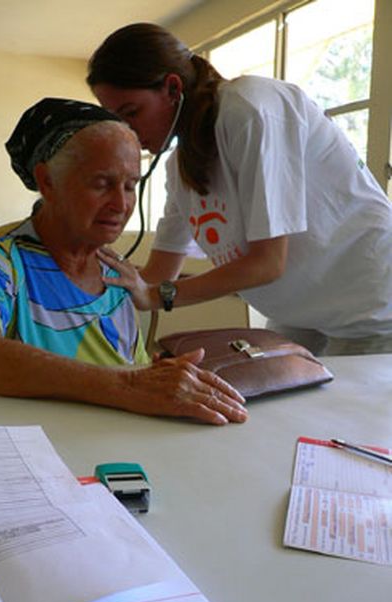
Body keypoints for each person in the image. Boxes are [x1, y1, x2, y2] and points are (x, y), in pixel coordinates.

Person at [87, 23, 392, 356]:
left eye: (132, 113)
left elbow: (267, 263)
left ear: (172, 88)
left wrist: (161, 295)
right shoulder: (179, 168)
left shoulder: (249, 108)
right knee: (280, 400)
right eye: (117, 120)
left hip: (370, 310)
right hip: (300, 315)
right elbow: (157, 276)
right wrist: (92, 276)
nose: (128, 132)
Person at [0, 97, 247, 426]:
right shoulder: (1, 257)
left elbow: (129, 367)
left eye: (131, 186)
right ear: (47, 181)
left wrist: (156, 375)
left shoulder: (114, 270)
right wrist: (128, 385)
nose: (121, 203)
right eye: (101, 184)